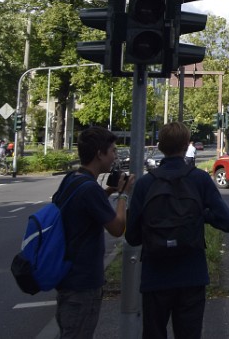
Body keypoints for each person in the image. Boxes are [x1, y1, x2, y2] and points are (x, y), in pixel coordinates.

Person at [126, 122, 229, 339]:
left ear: (160, 146)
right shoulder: (199, 179)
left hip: (155, 275)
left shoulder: (145, 184)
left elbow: (132, 237)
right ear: (187, 146)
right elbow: (227, 222)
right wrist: (200, 216)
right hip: (191, 273)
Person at [56, 126, 134, 339]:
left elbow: (85, 207)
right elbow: (117, 228)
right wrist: (124, 196)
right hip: (83, 283)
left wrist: (110, 190)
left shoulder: (73, 179)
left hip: (68, 277)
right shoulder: (90, 189)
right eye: (113, 151)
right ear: (100, 153)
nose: (115, 156)